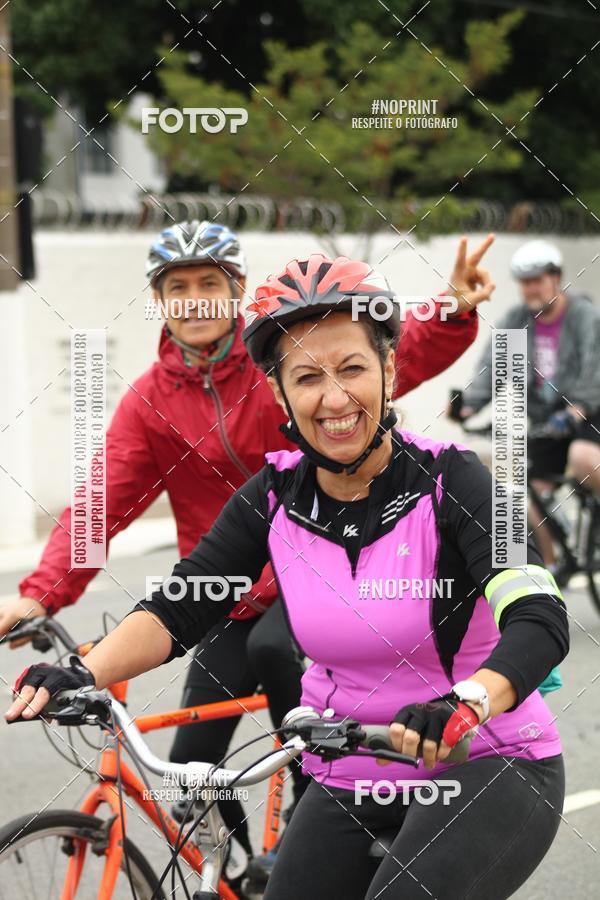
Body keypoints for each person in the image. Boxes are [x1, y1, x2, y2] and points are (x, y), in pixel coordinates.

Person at [7, 249, 568, 900]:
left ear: (389, 369)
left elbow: (538, 617)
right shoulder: (270, 496)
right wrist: (81, 672)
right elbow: (180, 606)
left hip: (487, 760)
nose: (333, 398)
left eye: (353, 368)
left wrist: (468, 703)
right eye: (306, 377)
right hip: (351, 774)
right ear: (277, 390)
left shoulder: (460, 481)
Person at [456, 239, 600, 567]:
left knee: (582, 456)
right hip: (551, 421)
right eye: (525, 283)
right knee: (520, 493)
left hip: (590, 413)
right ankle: (550, 567)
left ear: (556, 277)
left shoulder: (584, 316)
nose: (531, 290)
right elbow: (493, 366)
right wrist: (467, 405)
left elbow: (595, 371)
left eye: (537, 280)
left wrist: (576, 408)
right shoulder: (516, 319)